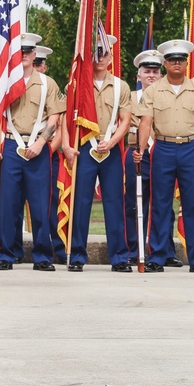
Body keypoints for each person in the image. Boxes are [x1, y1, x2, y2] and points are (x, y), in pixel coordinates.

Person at [134, 39, 194, 273]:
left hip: (189, 149)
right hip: (163, 148)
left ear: (186, 63)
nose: (176, 63)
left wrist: (191, 135)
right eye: (171, 60)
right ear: (165, 63)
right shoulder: (152, 91)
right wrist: (140, 149)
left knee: (192, 205)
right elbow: (146, 122)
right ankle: (157, 257)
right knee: (160, 204)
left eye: (180, 59)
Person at [0, 33, 65, 271]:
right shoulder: (4, 82)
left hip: (38, 146)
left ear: (34, 54)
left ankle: (42, 256)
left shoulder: (47, 83)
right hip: (11, 146)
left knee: (40, 205)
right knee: (8, 204)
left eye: (28, 52)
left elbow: (55, 116)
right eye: (19, 52)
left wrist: (42, 143)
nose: (24, 56)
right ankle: (5, 255)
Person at [61, 37, 132, 272]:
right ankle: (78, 256)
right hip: (84, 148)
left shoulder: (122, 86)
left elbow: (125, 121)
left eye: (104, 54)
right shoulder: (77, 84)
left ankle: (120, 258)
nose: (100, 58)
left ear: (111, 58)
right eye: (96, 53)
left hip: (109, 149)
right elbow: (65, 117)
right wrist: (66, 146)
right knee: (80, 204)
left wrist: (112, 142)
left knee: (114, 203)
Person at [124, 49, 183, 267]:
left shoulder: (169, 96)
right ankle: (133, 250)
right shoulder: (128, 97)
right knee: (134, 203)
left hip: (162, 153)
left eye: (156, 71)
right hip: (136, 154)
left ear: (161, 75)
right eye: (147, 71)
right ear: (138, 75)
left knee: (164, 204)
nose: (151, 75)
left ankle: (165, 251)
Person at [34, 46, 67, 265]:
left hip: (47, 152)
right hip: (19, 150)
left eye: (39, 64)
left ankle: (57, 248)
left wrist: (47, 148)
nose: (36, 67)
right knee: (16, 204)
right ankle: (13, 249)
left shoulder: (52, 88)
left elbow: (60, 125)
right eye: (33, 63)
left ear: (45, 66)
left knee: (50, 204)